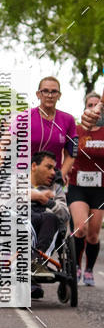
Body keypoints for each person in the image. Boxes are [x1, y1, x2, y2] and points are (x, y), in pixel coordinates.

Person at [68, 91, 104, 286]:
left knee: (93, 234)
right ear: (85, 107)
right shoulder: (76, 130)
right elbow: (68, 154)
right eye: (89, 105)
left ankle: (89, 269)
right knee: (80, 228)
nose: (93, 108)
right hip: (78, 186)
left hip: (100, 189)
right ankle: (76, 266)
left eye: (97, 105)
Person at [30, 77, 77, 183]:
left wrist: (61, 175)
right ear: (38, 94)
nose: (50, 95)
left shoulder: (68, 120)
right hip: (24, 178)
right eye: (45, 91)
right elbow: (7, 146)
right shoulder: (25, 117)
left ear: (59, 95)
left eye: (54, 92)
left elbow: (71, 153)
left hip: (52, 179)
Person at [30, 151, 70, 275]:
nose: (53, 172)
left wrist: (47, 202)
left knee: (52, 218)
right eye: (49, 167)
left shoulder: (56, 188)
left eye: (54, 168)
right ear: (34, 166)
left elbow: (65, 214)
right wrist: (36, 195)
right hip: (23, 222)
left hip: (47, 224)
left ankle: (37, 261)